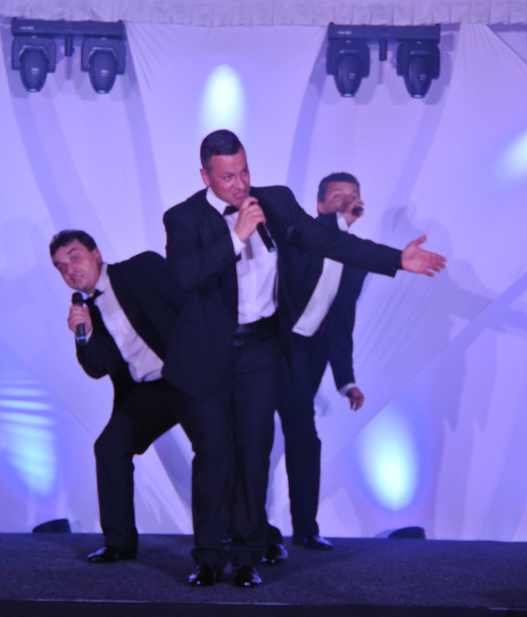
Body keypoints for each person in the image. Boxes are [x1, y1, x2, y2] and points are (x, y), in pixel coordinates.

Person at [162, 130, 446, 588]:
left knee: (255, 452)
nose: (240, 184)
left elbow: (328, 242)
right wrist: (236, 236)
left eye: (244, 172)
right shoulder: (182, 218)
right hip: (208, 355)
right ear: (205, 176)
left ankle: (248, 556)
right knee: (213, 455)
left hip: (260, 348)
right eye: (228, 177)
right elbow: (184, 277)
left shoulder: (274, 201)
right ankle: (208, 556)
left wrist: (396, 259)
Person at [50, 230, 187, 565]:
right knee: (109, 448)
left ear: (96, 253)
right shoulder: (86, 312)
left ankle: (248, 537)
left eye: (74, 257)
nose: (70, 269)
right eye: (61, 267)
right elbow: (97, 368)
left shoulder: (140, 269)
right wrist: (84, 335)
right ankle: (119, 543)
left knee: (217, 450)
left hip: (186, 378)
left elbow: (188, 306)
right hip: (147, 392)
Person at [266, 172, 369, 559]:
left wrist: (346, 380)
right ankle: (244, 528)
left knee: (304, 440)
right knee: (253, 440)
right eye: (338, 196)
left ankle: (305, 529)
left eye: (353, 196)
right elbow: (320, 238)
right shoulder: (300, 237)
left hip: (307, 357)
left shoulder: (356, 256)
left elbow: (341, 320)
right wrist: (339, 223)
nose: (347, 201)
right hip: (268, 347)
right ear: (320, 205)